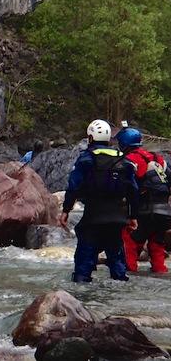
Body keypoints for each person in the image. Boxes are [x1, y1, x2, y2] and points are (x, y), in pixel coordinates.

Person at [59, 119, 139, 282]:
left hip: (92, 218)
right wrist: (133, 216)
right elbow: (133, 190)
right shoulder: (123, 160)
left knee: (84, 266)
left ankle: (80, 300)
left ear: (90, 138)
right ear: (109, 139)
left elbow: (74, 186)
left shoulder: (86, 159)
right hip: (117, 220)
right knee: (118, 267)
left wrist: (66, 210)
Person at [117, 127, 171, 273]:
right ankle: (160, 275)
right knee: (157, 246)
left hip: (145, 212)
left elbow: (129, 187)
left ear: (123, 144)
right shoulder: (158, 159)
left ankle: (129, 277)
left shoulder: (130, 160)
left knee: (129, 242)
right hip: (165, 213)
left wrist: (130, 214)